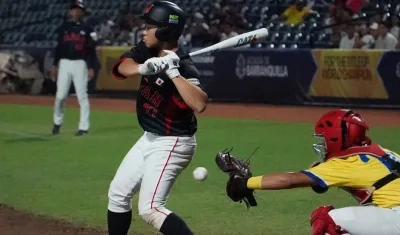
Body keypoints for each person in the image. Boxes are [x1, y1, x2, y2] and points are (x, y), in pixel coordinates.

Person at [108, 1, 208, 235]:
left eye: (150, 26)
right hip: (150, 137)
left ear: (165, 31)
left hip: (173, 142)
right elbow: (123, 66)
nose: (144, 31)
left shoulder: (184, 67)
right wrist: (143, 68)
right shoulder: (147, 50)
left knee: (150, 209)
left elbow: (200, 103)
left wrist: (173, 73)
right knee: (117, 194)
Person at [218, 109, 400, 235]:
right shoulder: (381, 153)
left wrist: (244, 183)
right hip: (393, 216)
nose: (324, 144)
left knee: (326, 220)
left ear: (337, 137)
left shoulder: (346, 162)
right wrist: (320, 179)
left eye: (325, 139)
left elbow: (289, 180)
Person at [51, 0, 97, 136]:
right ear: (71, 11)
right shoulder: (63, 27)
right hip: (64, 63)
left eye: (79, 9)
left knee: (82, 96)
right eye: (74, 9)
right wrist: (54, 65)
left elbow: (91, 50)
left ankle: (83, 127)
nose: (76, 11)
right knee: (60, 96)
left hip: (80, 63)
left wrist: (91, 67)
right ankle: (57, 123)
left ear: (82, 12)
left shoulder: (88, 29)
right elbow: (58, 48)